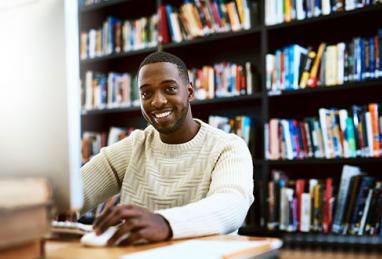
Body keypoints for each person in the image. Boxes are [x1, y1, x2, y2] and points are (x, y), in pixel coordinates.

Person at [80, 51, 254, 246]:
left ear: (189, 92)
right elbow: (76, 191)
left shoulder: (228, 147)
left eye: (169, 89)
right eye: (146, 93)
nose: (157, 101)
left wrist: (165, 223)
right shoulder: (134, 146)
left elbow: (232, 205)